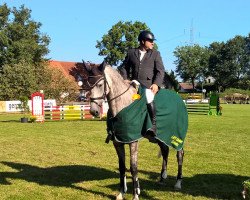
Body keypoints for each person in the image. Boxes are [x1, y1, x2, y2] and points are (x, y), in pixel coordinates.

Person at [119, 30, 165, 137]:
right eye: (150, 41)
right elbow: (123, 67)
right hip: (133, 84)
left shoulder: (155, 54)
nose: (152, 43)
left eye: (153, 41)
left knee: (148, 96)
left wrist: (156, 84)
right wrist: (125, 78)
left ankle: (153, 125)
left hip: (148, 86)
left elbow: (160, 71)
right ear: (143, 41)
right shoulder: (131, 53)